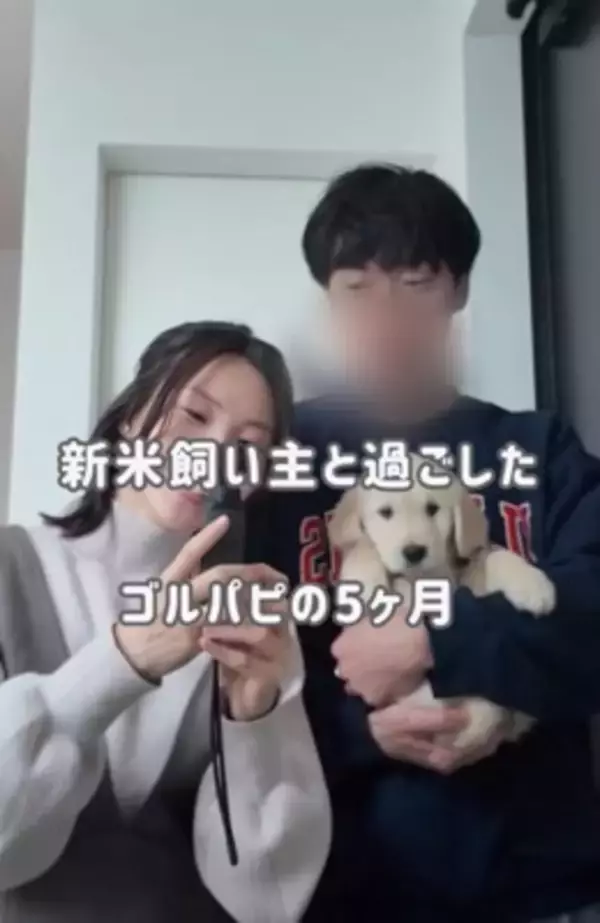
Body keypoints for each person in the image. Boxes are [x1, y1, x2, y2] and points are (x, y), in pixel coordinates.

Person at [247, 165, 600, 922]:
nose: (386, 320)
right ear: (328, 299)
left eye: (415, 284)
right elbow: (233, 688)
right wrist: (362, 730)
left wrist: (436, 636)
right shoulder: (281, 456)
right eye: (357, 290)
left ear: (458, 290)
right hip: (335, 889)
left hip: (538, 885)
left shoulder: (537, 449)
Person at [0, 321, 331, 923]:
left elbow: (267, 901)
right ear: (131, 415)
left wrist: (258, 723)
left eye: (247, 447)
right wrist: (121, 662)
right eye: (193, 416)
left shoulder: (251, 622)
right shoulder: (10, 569)